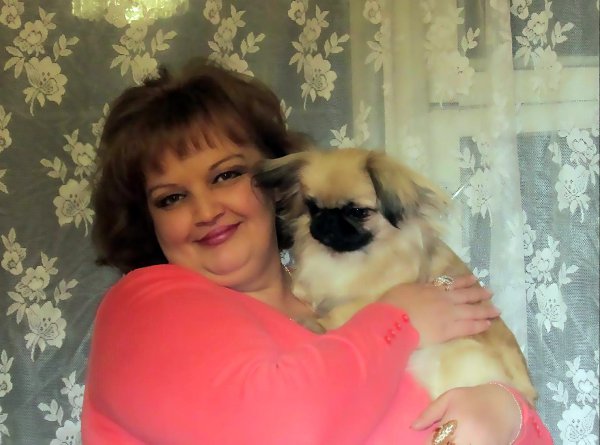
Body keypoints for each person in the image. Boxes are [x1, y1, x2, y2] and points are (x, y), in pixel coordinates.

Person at [81, 59, 553, 445]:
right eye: (171, 198)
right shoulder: (142, 308)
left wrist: (506, 413)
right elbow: (283, 427)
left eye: (226, 175)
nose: (206, 211)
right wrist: (400, 321)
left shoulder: (354, 295)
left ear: (278, 184)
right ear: (147, 219)